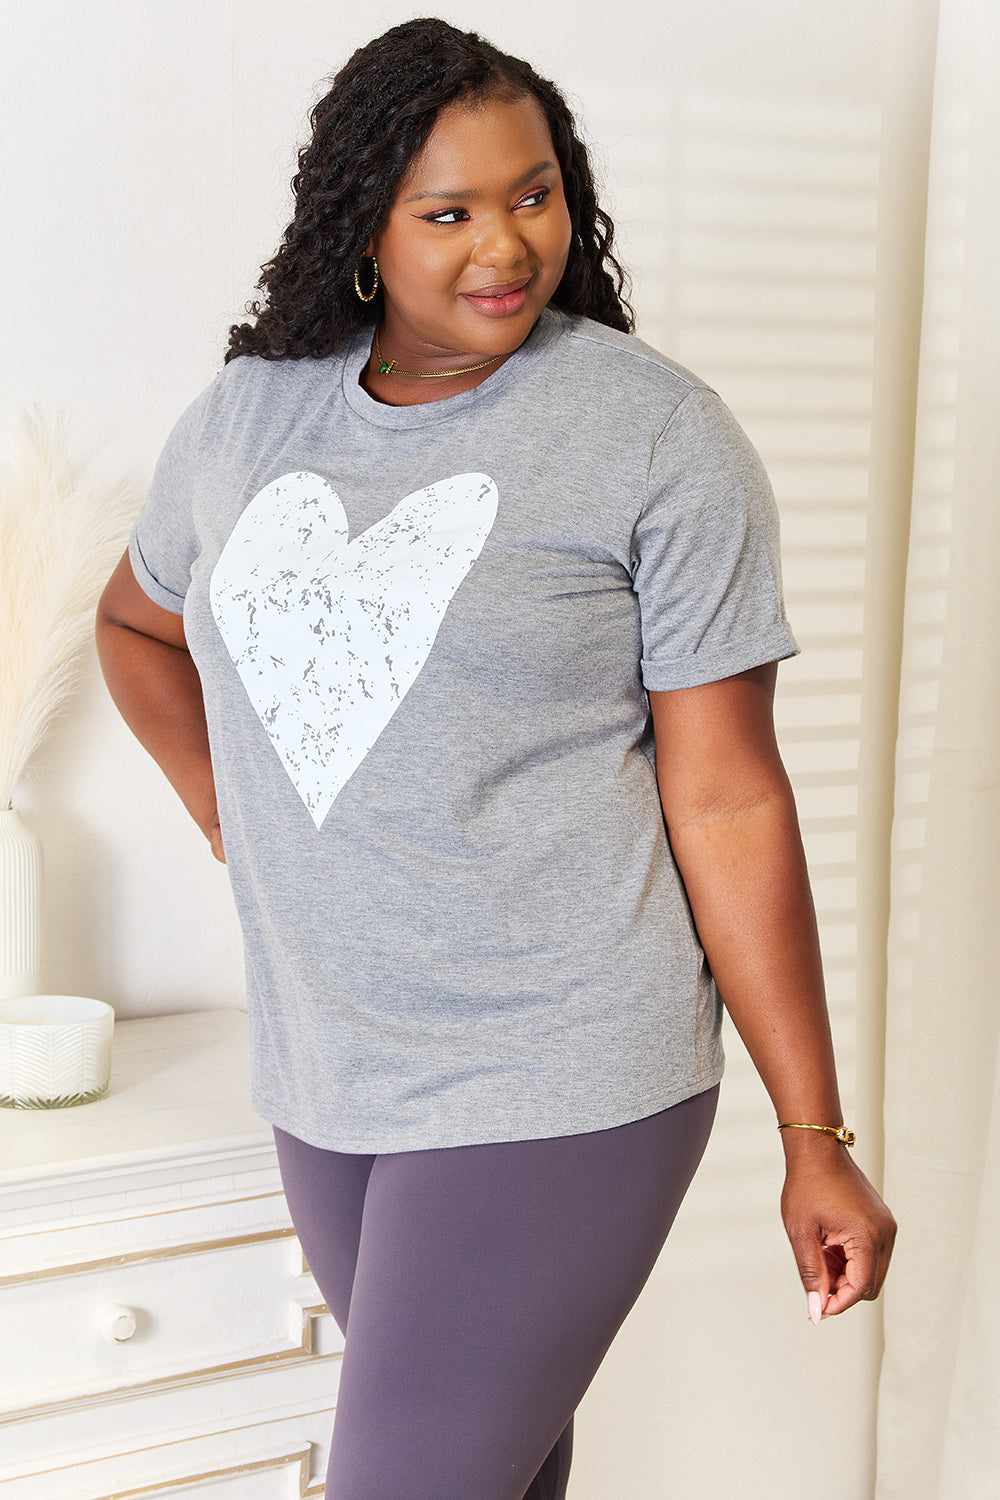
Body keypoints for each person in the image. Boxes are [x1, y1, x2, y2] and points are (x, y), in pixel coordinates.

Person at [95, 17, 896, 1499]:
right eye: (447, 211)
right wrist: (236, 808)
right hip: (329, 1067)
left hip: (565, 1063)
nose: (505, 247)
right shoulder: (248, 421)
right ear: (361, 225)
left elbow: (727, 797)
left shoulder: (653, 436)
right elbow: (138, 628)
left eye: (533, 194)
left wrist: (814, 1134)